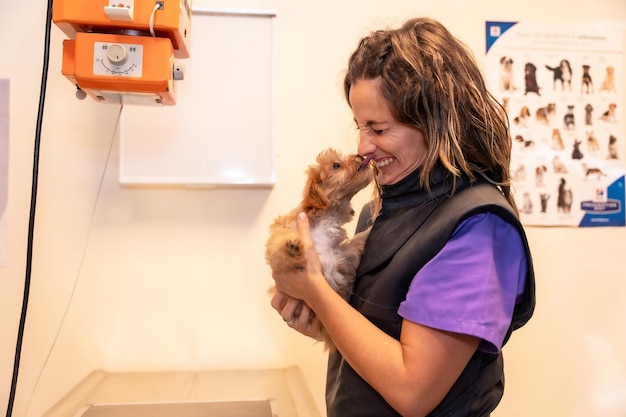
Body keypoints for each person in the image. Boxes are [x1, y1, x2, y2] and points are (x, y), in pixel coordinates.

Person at [270, 16, 535, 417]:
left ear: (435, 121)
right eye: (359, 126)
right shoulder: (379, 210)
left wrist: (316, 294)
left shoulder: (478, 227)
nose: (362, 147)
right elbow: (367, 337)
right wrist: (319, 316)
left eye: (378, 128)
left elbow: (413, 391)